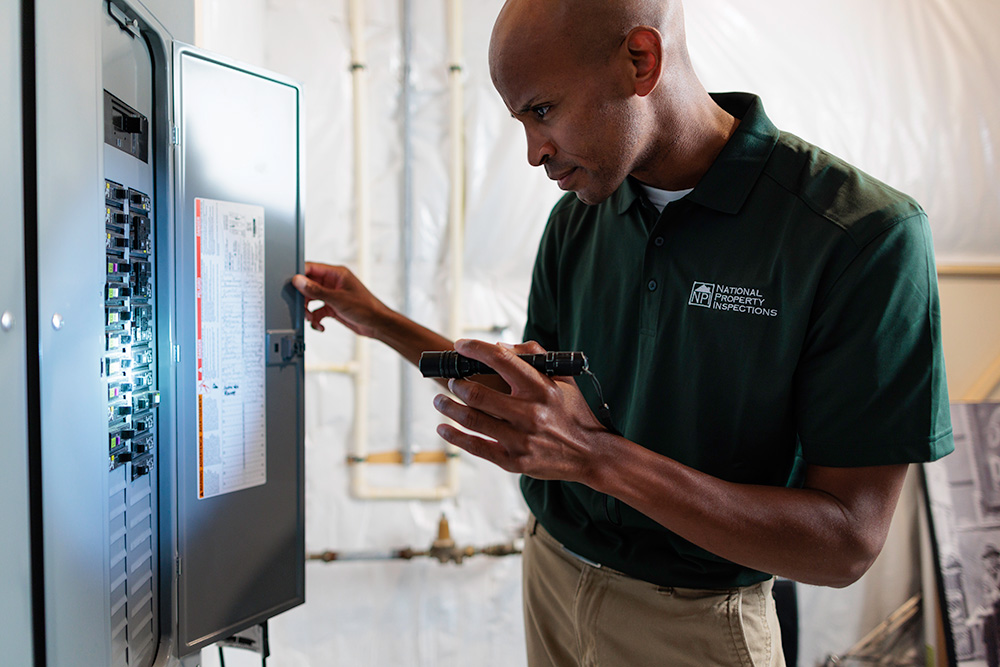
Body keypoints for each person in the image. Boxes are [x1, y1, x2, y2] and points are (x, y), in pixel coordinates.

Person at [293, 0, 954, 664]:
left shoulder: (860, 237)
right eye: (520, 121)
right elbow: (542, 404)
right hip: (552, 576)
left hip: (696, 615)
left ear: (642, 59)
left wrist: (593, 457)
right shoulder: (580, 217)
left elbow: (845, 545)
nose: (533, 152)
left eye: (543, 111)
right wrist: (377, 319)